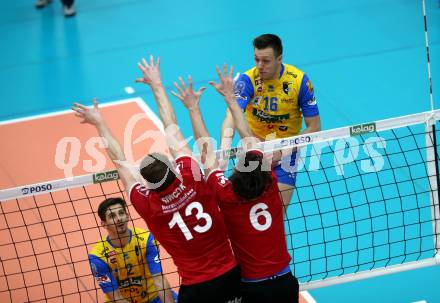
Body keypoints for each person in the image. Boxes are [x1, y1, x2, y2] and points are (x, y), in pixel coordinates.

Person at [72, 56, 240, 303]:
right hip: (230, 276)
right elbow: (171, 126)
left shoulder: (148, 204)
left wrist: (100, 123)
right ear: (172, 169)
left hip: (196, 289)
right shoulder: (191, 177)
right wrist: (157, 85)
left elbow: (120, 163)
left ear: (147, 184)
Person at [172, 65, 299, 303]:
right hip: (285, 283)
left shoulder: (226, 195)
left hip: (252, 289)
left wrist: (193, 109)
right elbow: (248, 136)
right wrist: (231, 99)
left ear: (237, 172)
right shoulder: (271, 186)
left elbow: (207, 153)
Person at [217, 33, 321, 210]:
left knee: (276, 217)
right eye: (256, 59)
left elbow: (315, 127)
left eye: (266, 61)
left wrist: (283, 151)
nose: (259, 66)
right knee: (236, 211)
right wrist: (225, 148)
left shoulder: (299, 82)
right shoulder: (247, 80)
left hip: (286, 154)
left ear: (279, 59)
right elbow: (231, 117)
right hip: (253, 151)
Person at [88, 197, 176, 303]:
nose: (119, 218)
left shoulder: (146, 239)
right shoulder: (97, 257)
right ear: (103, 224)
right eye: (112, 216)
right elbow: (116, 297)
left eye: (121, 213)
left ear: (127, 216)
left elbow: (158, 278)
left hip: (153, 297)